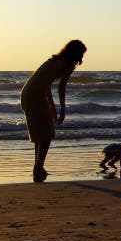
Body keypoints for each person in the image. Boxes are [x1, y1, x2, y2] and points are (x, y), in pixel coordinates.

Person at [20, 40, 87, 182]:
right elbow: (61, 87)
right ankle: (38, 167)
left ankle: (38, 167)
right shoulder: (67, 64)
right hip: (36, 95)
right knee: (47, 133)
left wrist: (52, 107)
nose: (82, 57)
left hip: (27, 93)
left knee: (40, 133)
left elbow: (47, 85)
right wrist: (62, 109)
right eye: (82, 53)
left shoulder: (54, 61)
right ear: (76, 53)